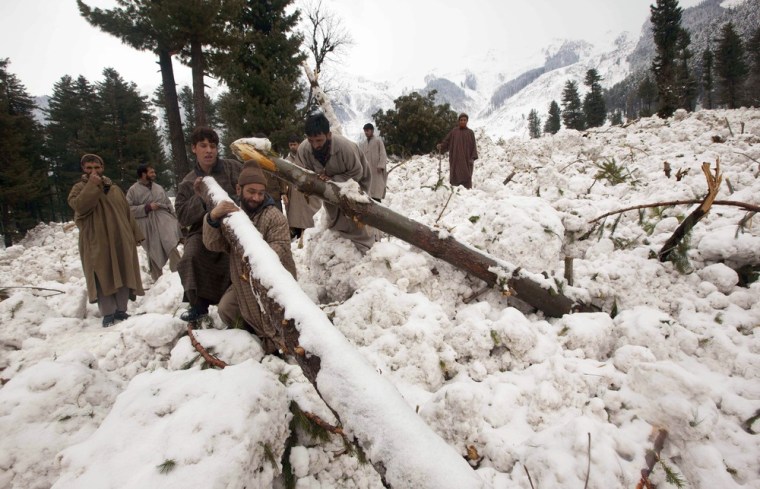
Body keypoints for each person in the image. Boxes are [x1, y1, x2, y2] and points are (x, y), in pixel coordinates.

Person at [203, 160, 297, 353]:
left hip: (273, 282)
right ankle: (251, 336)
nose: (256, 197)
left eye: (260, 193)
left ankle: (271, 341)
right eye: (251, 192)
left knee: (275, 319)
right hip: (243, 281)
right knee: (226, 309)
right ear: (239, 189)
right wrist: (212, 218)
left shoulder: (274, 216)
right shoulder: (231, 215)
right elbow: (213, 244)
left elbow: (279, 248)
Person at [68, 154, 144, 327]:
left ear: (102, 167)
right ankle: (108, 312)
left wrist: (135, 234)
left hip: (120, 238)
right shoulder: (78, 188)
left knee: (124, 270)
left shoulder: (114, 188)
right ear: (83, 169)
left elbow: (126, 212)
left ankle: (121, 310)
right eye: (89, 168)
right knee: (102, 274)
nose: (93, 171)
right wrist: (92, 186)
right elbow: (80, 206)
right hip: (96, 239)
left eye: (97, 167)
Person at [175, 127, 242, 322]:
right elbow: (182, 216)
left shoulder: (232, 168)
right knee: (191, 256)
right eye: (203, 146)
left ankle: (236, 301)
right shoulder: (188, 182)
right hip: (201, 230)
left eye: (213, 146)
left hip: (234, 225)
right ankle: (199, 304)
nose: (209, 150)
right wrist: (200, 199)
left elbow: (249, 191)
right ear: (194, 149)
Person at [295, 112, 374, 252]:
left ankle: (365, 248)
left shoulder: (345, 147)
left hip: (357, 183)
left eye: (319, 140)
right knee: (334, 214)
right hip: (328, 188)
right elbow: (302, 173)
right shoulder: (304, 149)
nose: (315, 145)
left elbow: (357, 172)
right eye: (311, 140)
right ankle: (341, 241)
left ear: (329, 135)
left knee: (356, 215)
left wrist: (333, 180)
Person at [126, 164, 182, 281]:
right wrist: (147, 207)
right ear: (143, 174)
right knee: (153, 251)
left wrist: (175, 218)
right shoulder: (133, 190)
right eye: (151, 172)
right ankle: (157, 281)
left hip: (163, 221)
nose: (154, 175)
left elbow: (167, 203)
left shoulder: (158, 187)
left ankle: (178, 276)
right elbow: (128, 209)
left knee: (171, 245)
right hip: (147, 224)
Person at [284, 134, 321, 241]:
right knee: (296, 220)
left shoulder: (310, 158)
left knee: (311, 222)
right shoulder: (287, 161)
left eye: (294, 144)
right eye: (290, 145)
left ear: (300, 144)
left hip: (310, 195)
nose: (292, 147)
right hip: (294, 196)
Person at [437, 113, 479, 189]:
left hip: (467, 160)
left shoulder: (470, 133)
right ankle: (454, 191)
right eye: (461, 120)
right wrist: (441, 146)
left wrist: (472, 158)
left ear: (467, 121)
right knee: (455, 175)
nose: (463, 122)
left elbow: (474, 146)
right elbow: (447, 141)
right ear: (459, 121)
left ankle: (467, 191)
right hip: (455, 158)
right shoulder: (454, 132)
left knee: (467, 176)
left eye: (464, 120)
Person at [359, 123, 388, 202]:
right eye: (365, 131)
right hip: (367, 170)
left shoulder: (378, 141)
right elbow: (361, 156)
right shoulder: (363, 144)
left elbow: (383, 154)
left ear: (372, 131)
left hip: (377, 170)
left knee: (377, 189)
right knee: (368, 190)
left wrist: (381, 165)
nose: (366, 132)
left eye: (367, 131)